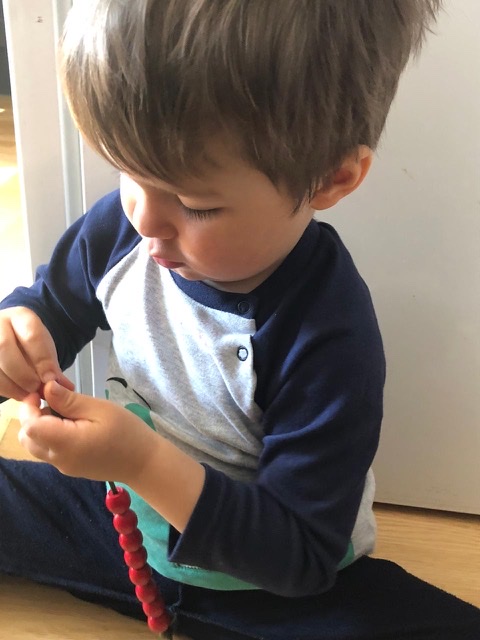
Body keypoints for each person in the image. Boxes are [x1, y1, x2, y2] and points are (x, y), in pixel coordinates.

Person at [0, 1, 478, 639]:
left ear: (331, 179)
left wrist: (142, 462)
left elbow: (299, 553)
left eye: (195, 204)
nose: (144, 219)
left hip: (272, 580)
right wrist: (18, 332)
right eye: (126, 171)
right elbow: (50, 306)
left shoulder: (329, 331)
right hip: (124, 524)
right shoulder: (127, 227)